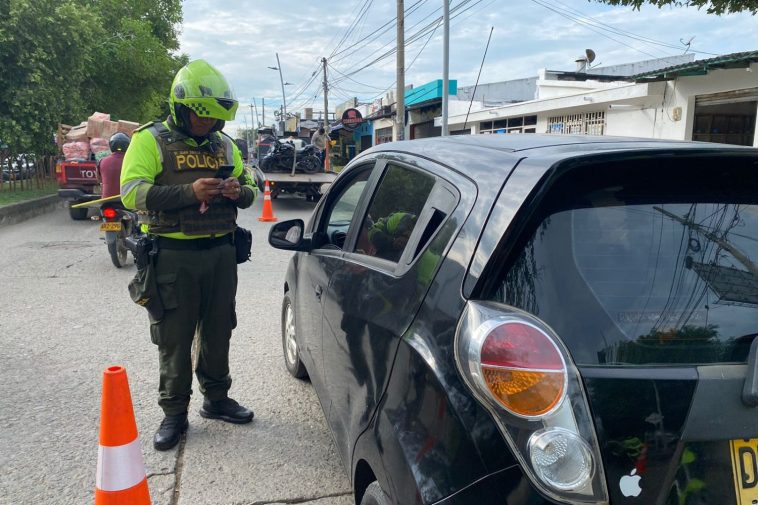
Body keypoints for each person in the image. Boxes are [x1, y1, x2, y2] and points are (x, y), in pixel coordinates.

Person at [120, 59, 257, 451]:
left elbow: (250, 190)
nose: (206, 123)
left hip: (221, 253)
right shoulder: (150, 140)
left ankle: (216, 398)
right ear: (180, 106)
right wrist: (188, 193)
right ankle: (174, 412)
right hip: (173, 255)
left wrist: (237, 191)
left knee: (219, 329)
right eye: (200, 115)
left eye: (213, 117)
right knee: (175, 338)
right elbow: (132, 193)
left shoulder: (225, 144)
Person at [97, 132, 130, 199]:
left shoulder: (102, 161)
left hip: (107, 200)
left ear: (111, 145)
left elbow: (99, 180)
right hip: (127, 200)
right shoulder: (132, 161)